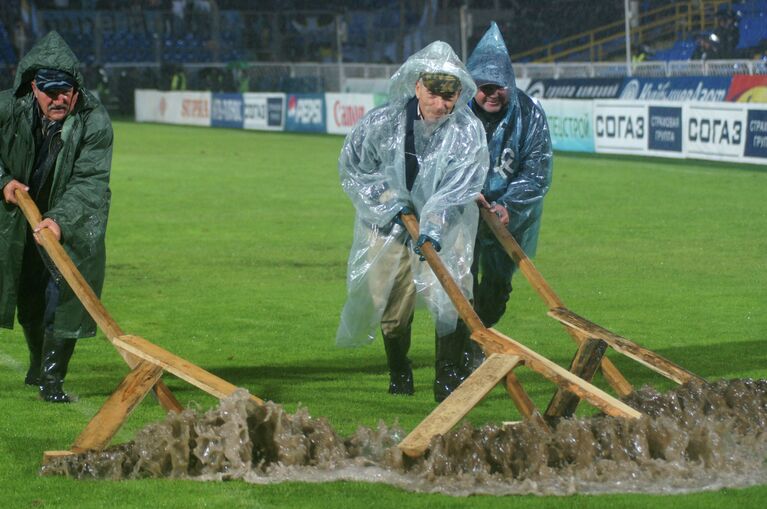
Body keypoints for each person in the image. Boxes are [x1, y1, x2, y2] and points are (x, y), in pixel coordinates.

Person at [335, 41, 489, 402]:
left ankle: (446, 375)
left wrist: (434, 221)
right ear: (417, 86)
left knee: (450, 297)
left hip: (445, 228)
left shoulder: (466, 132)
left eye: (450, 96)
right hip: (387, 226)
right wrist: (389, 203)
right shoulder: (383, 123)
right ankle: (399, 370)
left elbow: (462, 183)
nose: (442, 104)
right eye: (435, 94)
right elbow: (355, 168)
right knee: (392, 303)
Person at [0, 31, 114, 403]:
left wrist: (60, 220)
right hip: (19, 222)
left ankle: (52, 379)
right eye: (48, 90)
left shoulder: (94, 121)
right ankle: (37, 362)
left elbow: (89, 182)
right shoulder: (7, 108)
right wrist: (3, 180)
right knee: (29, 296)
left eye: (64, 90)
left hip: (71, 224)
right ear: (33, 87)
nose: (57, 98)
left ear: (76, 89)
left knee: (63, 297)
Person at [459, 22, 553, 371]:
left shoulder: (530, 114)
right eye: (484, 86)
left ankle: (477, 334)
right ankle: (461, 352)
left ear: (510, 84)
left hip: (508, 218)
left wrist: (508, 205)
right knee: (461, 283)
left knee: (496, 292)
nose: (491, 93)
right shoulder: (458, 113)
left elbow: (537, 170)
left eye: (498, 86)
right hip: (464, 213)